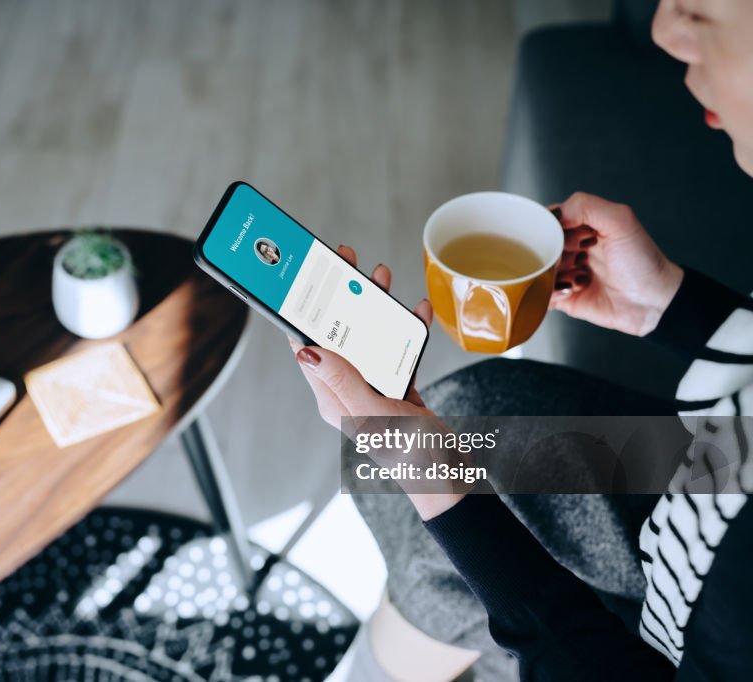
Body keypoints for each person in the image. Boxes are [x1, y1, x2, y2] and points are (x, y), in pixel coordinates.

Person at [293, 0, 753, 679]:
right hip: (711, 487)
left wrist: (436, 480)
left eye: (710, 4)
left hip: (701, 595)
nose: (662, 29)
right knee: (476, 415)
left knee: (448, 525)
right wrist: (670, 305)